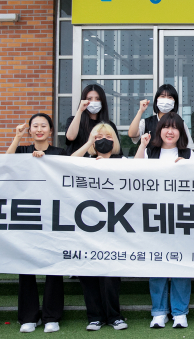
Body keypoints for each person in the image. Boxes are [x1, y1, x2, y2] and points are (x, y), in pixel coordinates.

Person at [135, 112, 194, 328]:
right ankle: (159, 311)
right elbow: (133, 173)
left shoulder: (189, 154)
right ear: (159, 130)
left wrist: (188, 167)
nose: (170, 131)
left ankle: (180, 312)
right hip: (155, 217)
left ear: (181, 132)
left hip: (182, 218)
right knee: (157, 264)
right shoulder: (150, 152)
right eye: (165, 127)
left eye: (175, 127)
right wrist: (142, 146)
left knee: (181, 264)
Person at [5, 114, 65, 333]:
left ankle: (51, 316)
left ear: (51, 130)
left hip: (53, 216)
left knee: (54, 267)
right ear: (29, 130)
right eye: (35, 126)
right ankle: (28, 317)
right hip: (27, 215)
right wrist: (17, 137)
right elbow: (5, 164)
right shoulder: (21, 151)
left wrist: (45, 161)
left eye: (44, 126)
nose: (39, 129)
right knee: (26, 267)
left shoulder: (60, 153)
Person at [71, 123, 127, 330]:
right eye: (99, 136)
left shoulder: (122, 162)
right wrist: (88, 144)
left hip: (114, 226)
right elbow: (67, 163)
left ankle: (114, 316)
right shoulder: (84, 161)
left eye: (108, 136)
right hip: (86, 226)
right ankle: (94, 316)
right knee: (88, 273)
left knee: (111, 275)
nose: (104, 140)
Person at [128, 84, 194, 151]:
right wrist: (140, 111)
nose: (166, 100)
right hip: (150, 158)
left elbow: (189, 148)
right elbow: (132, 134)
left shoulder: (180, 123)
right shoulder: (146, 122)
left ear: (174, 102)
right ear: (157, 100)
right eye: (162, 96)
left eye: (170, 97)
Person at [64, 84, 122, 156]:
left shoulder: (109, 125)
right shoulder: (73, 120)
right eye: (89, 99)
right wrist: (80, 110)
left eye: (98, 99)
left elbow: (116, 149)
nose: (94, 102)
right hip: (76, 161)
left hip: (99, 162)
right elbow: (70, 137)